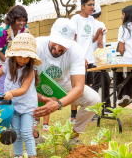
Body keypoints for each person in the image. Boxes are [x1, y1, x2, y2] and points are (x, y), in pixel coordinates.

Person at [32, 18, 102, 148]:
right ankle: (35, 137)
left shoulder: (76, 50)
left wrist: (58, 104)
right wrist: (42, 98)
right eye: (56, 42)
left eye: (63, 45)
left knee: (94, 100)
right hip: (36, 85)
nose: (57, 49)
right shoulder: (36, 45)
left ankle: (72, 138)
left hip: (62, 85)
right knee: (16, 101)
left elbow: (79, 87)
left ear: (73, 40)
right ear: (50, 33)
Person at [0, 33, 41, 158]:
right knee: (16, 132)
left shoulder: (30, 71)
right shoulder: (8, 64)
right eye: (19, 56)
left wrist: (11, 92)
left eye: (26, 57)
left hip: (28, 107)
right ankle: (17, 156)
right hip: (13, 107)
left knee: (26, 131)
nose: (22, 60)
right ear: (13, 55)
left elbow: (23, 89)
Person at [70, 0, 105, 123]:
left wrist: (98, 34)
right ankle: (73, 116)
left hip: (90, 59)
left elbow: (92, 40)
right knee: (77, 87)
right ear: (82, 6)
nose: (92, 7)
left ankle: (84, 115)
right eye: (89, 4)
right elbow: (73, 40)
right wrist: (79, 56)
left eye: (93, 5)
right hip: (79, 59)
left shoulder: (92, 20)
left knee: (87, 88)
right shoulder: (75, 19)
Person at [0, 5, 29, 94]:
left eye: (24, 20)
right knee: (3, 89)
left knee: (14, 88)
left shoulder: (25, 29)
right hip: (0, 60)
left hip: (15, 61)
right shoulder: (2, 30)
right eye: (19, 20)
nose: (22, 23)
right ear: (12, 19)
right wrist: (10, 63)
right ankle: (2, 106)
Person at [91, 3, 112, 118]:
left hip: (89, 58)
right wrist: (102, 58)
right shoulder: (100, 24)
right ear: (101, 13)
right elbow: (100, 43)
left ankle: (107, 106)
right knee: (97, 84)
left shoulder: (88, 23)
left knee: (106, 80)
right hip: (97, 59)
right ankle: (94, 111)